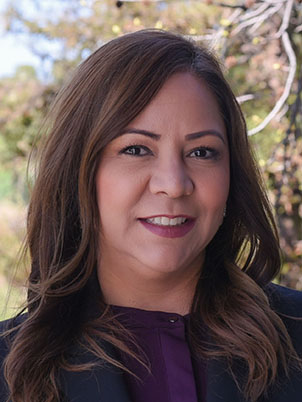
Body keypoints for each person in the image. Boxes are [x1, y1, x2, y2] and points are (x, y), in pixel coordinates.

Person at [0, 29, 301, 402]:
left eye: (202, 152)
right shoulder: (9, 371)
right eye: (137, 149)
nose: (174, 185)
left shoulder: (296, 337)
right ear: (79, 170)